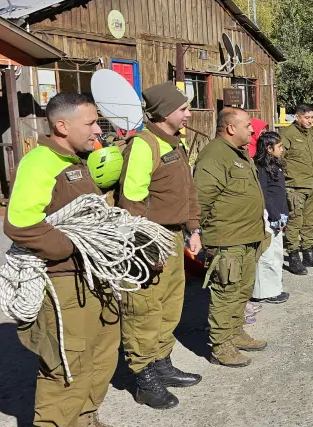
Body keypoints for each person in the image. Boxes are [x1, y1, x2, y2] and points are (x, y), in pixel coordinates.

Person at [5, 92, 135, 427]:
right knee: (67, 359)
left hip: (93, 275)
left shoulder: (75, 161)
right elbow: (19, 223)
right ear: (62, 126)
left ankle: (85, 421)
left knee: (103, 349)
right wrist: (68, 247)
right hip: (62, 277)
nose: (98, 128)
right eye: (91, 122)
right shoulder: (40, 163)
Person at [117, 82, 203, 410]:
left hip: (174, 236)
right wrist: (143, 245)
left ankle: (162, 361)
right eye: (183, 109)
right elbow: (133, 200)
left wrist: (193, 228)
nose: (188, 114)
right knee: (144, 308)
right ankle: (144, 376)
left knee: (169, 303)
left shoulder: (175, 144)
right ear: (166, 112)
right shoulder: (145, 144)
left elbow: (189, 192)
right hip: (149, 238)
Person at [193, 108, 269, 368]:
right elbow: (201, 199)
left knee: (242, 289)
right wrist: (198, 233)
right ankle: (221, 346)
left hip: (247, 236)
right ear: (230, 128)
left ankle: (235, 332)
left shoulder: (238, 154)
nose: (251, 130)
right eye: (247, 125)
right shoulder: (214, 156)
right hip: (226, 239)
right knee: (226, 293)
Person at [279, 103, 313, 274]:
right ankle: (293, 256)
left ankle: (308, 252)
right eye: (306, 118)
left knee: (310, 220)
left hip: (312, 184)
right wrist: (288, 175)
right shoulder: (287, 134)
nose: (310, 121)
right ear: (297, 117)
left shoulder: (312, 134)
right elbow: (279, 157)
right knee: (295, 221)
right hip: (295, 186)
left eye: (312, 118)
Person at [252, 131, 290, 305]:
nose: (282, 149)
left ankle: (274, 288)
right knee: (267, 255)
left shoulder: (275, 165)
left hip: (278, 216)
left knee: (276, 253)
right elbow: (264, 194)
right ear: (269, 148)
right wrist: (274, 215)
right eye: (279, 146)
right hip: (269, 217)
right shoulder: (260, 167)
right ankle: (263, 292)